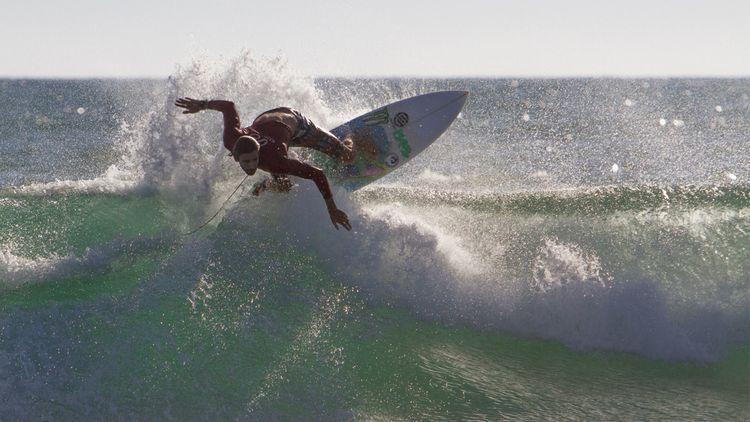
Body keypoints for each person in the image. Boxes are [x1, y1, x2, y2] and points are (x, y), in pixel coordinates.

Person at [174, 97, 354, 231]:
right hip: (268, 122)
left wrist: (332, 208)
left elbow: (317, 173)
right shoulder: (231, 139)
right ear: (236, 157)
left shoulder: (275, 161)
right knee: (285, 187)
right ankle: (268, 183)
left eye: (254, 159)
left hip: (295, 124)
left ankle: (347, 142)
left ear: (259, 152)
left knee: (347, 157)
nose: (252, 165)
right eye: (246, 161)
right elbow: (228, 107)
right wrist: (202, 105)